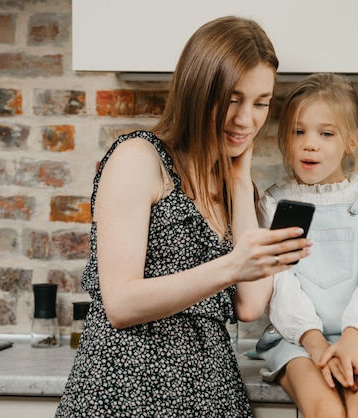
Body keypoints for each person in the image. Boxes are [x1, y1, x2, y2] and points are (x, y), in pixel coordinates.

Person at [55, 16, 312, 418]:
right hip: (127, 391)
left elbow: (249, 304)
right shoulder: (140, 159)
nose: (246, 120)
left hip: (210, 393)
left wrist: (242, 182)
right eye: (232, 99)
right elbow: (120, 303)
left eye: (261, 103)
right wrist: (232, 265)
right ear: (197, 90)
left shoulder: (233, 186)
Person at [254, 73, 358, 418]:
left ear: (351, 142)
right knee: (324, 409)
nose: (309, 143)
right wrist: (315, 343)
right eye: (299, 131)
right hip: (297, 341)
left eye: (325, 133)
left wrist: (353, 339)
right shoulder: (273, 205)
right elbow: (280, 285)